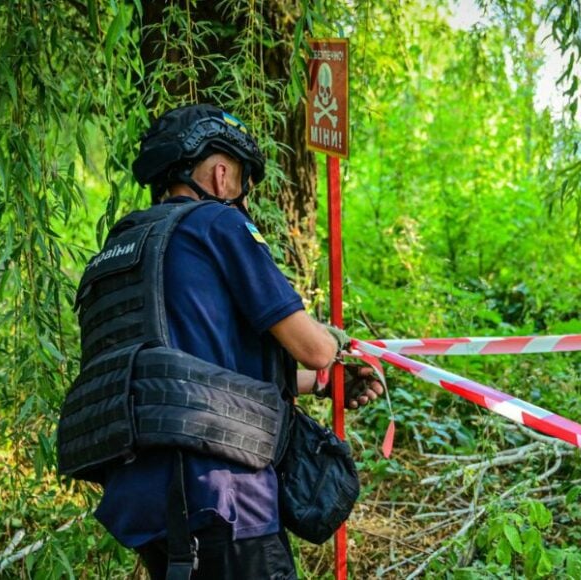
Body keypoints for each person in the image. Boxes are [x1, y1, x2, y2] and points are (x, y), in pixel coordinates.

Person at [65, 104, 383, 579]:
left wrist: (320, 385)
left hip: (144, 501)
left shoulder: (124, 248)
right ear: (219, 174)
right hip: (225, 495)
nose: (242, 196)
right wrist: (332, 347)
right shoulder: (218, 223)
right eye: (241, 180)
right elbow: (315, 348)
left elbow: (189, 373)